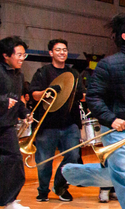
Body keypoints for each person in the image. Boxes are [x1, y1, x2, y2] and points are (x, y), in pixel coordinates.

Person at [62, 13, 125, 208]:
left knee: (117, 172)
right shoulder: (107, 65)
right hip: (115, 131)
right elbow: (93, 97)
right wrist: (111, 119)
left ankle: (70, 173)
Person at [29, 39, 83, 203]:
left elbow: (81, 94)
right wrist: (48, 91)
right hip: (47, 125)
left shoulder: (74, 74)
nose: (62, 52)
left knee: (73, 157)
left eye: (65, 50)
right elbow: (34, 94)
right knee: (44, 161)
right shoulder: (43, 72)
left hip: (70, 123)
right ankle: (43, 190)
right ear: (51, 53)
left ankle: (60, 187)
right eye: (58, 50)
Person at [0, 37, 31, 209]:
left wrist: (25, 113)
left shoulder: (19, 75)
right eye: (19, 54)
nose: (22, 58)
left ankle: (9, 201)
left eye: (24, 54)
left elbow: (16, 100)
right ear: (6, 55)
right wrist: (1, 100)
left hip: (5, 127)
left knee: (14, 160)